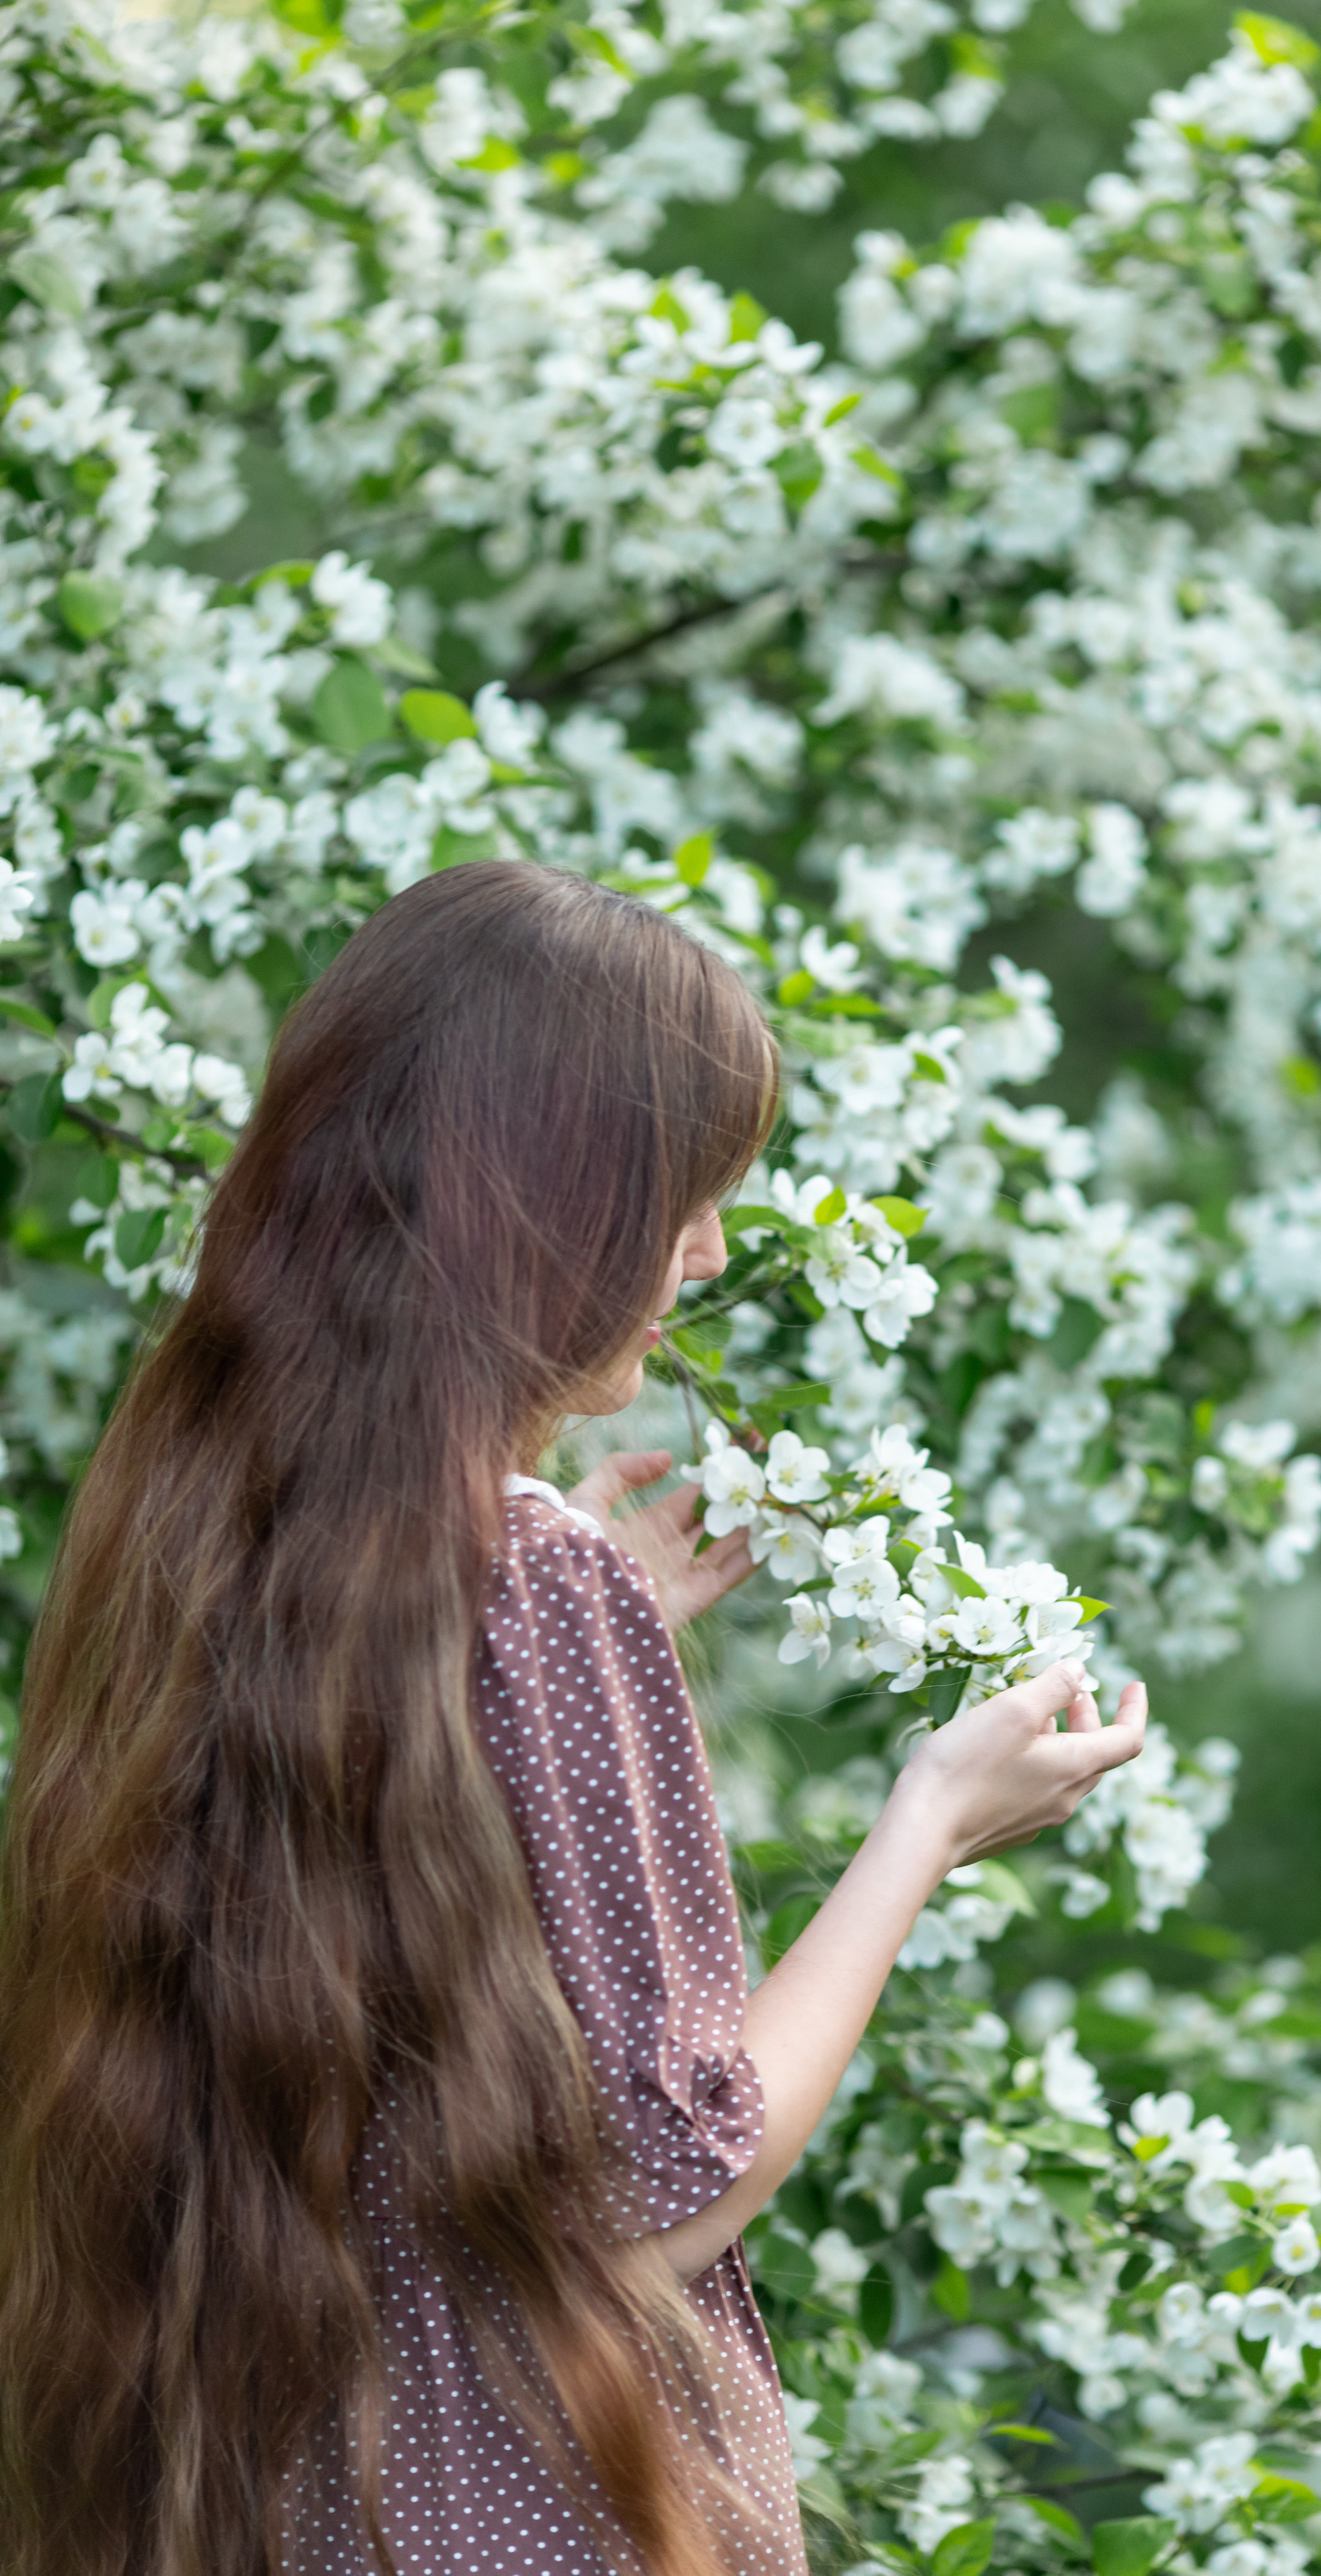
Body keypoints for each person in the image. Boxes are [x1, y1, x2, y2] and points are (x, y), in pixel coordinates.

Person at [0, 864, 1146, 2576]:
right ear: (537, 1194)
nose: (704, 1251)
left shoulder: (208, 1519)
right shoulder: (524, 1590)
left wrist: (564, 1643)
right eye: (681, 1195)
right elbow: (668, 2186)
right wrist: (925, 1827)